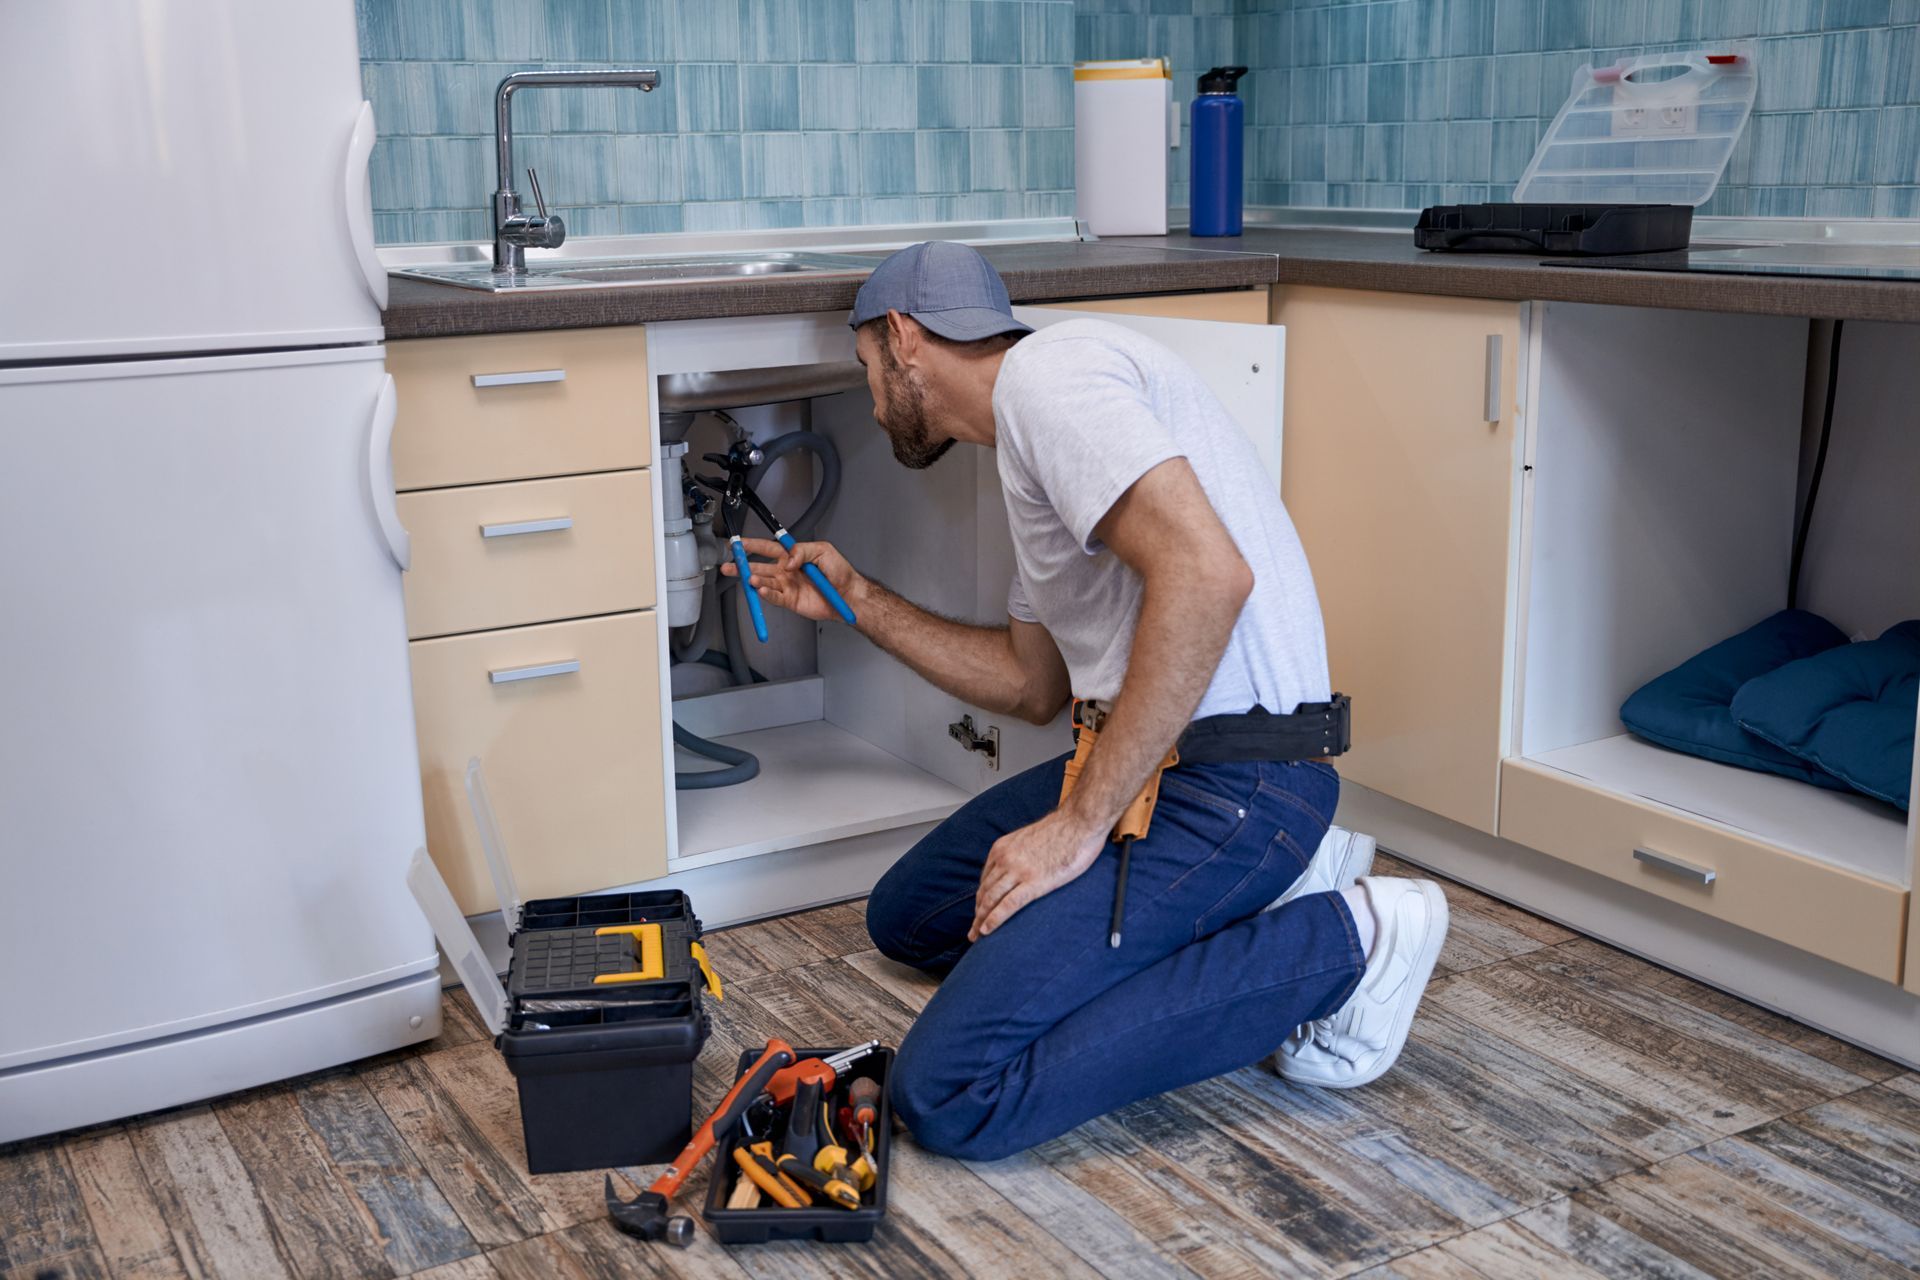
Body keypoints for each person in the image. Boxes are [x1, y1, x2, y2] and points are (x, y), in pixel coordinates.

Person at [724, 241, 1451, 1161]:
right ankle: (1247, 901)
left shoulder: (1050, 381)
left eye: (868, 368)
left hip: (1236, 782)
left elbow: (1207, 574)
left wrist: (1076, 826)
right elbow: (1032, 686)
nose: (872, 401)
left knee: (948, 1093)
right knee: (908, 914)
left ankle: (1352, 939)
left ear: (905, 339)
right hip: (1163, 768)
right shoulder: (1033, 440)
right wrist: (858, 602)